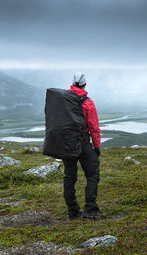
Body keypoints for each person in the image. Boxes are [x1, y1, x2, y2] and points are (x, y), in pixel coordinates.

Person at [62, 73, 106, 220]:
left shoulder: (63, 100)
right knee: (93, 173)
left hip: (67, 143)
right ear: (85, 84)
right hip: (82, 142)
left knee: (69, 176)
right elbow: (94, 127)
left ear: (72, 83)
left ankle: (73, 211)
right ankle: (91, 209)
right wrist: (97, 146)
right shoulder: (87, 102)